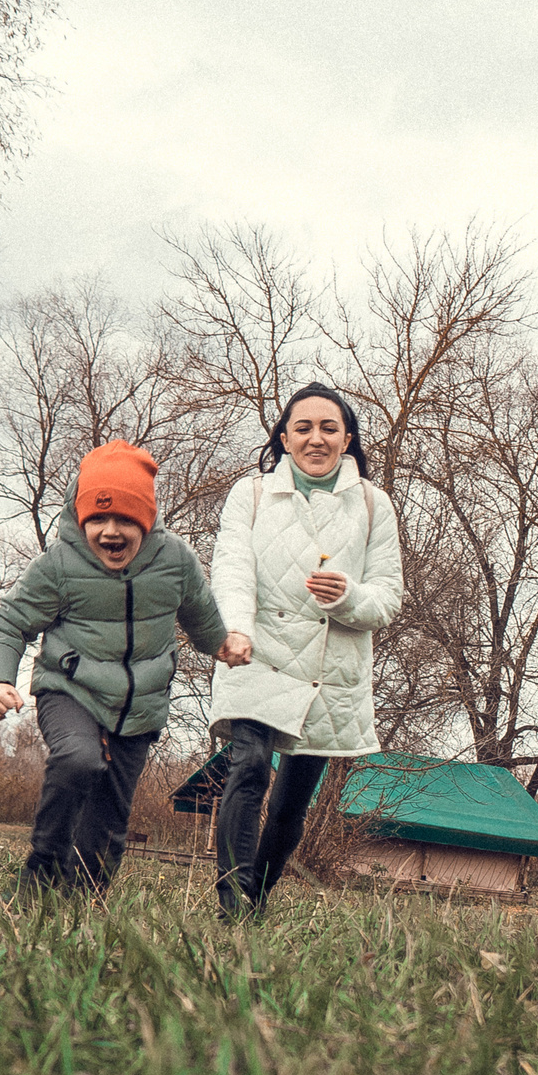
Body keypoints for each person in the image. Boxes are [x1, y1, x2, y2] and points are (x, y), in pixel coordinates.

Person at [0, 441, 236, 895]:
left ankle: (84, 896)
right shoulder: (59, 564)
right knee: (78, 760)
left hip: (141, 704)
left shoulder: (175, 560)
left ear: (147, 520)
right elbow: (9, 620)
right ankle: (42, 869)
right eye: (97, 518)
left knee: (110, 815)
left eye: (125, 520)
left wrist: (222, 644)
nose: (110, 531)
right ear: (81, 518)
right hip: (70, 689)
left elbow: (200, 613)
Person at [206, 384, 403, 919]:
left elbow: (387, 598)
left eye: (329, 428)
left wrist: (348, 597)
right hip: (258, 651)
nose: (316, 438)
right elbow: (231, 569)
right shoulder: (249, 495)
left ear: (348, 438)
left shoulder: (372, 504)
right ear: (284, 437)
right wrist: (236, 629)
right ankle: (231, 900)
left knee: (293, 800)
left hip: (329, 670)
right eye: (303, 428)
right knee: (247, 766)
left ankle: (259, 895)